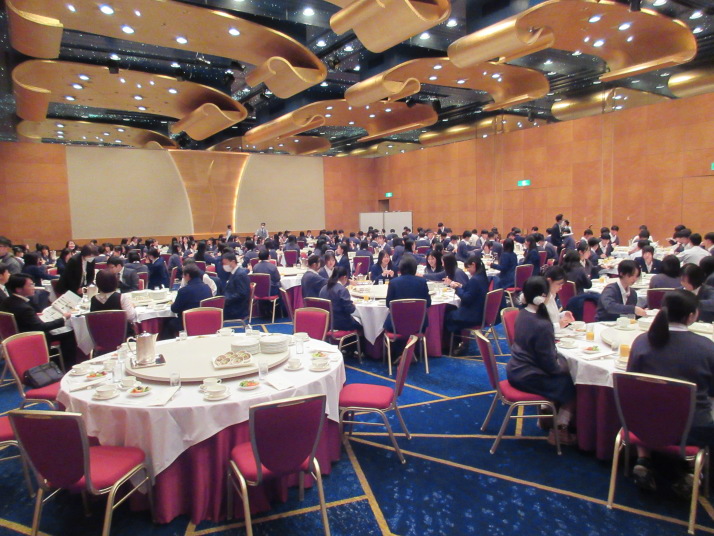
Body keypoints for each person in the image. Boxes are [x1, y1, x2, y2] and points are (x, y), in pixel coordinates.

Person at [627, 290, 714, 491]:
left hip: (643, 424)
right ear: (691, 316)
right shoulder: (706, 347)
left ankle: (643, 459)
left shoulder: (642, 341)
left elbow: (631, 383)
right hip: (691, 429)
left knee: (647, 401)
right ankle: (692, 470)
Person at [506, 276, 577, 446]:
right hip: (528, 376)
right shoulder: (542, 325)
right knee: (572, 384)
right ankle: (560, 429)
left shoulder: (522, 314)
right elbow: (550, 366)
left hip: (515, 368)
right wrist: (566, 366)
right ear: (542, 297)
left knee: (563, 372)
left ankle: (546, 418)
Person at [0, 273, 77, 365]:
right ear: (18, 289)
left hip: (14, 336)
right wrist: (64, 318)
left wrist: (33, 316)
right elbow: (40, 327)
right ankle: (66, 365)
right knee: (70, 333)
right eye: (30, 285)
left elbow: (20, 317)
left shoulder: (7, 301)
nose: (33, 287)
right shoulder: (24, 308)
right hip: (30, 337)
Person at [445, 255, 489, 355]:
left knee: (449, 314)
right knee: (452, 310)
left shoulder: (475, 279)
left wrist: (456, 288)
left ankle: (454, 345)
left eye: (468, 267)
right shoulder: (482, 276)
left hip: (473, 315)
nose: (467, 270)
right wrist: (461, 286)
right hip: (480, 311)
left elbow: (466, 298)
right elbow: (472, 290)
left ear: (473, 265)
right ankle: (458, 342)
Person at [383, 255, 430, 332]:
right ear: (415, 268)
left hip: (396, 323)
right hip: (419, 323)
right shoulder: (422, 282)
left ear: (400, 268)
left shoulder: (393, 283)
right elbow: (428, 303)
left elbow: (388, 304)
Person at [169, 264, 213, 331]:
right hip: (205, 320)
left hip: (188, 322)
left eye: (183, 275)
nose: (182, 277)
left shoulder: (184, 291)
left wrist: (172, 304)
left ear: (187, 275)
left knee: (168, 323)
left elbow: (175, 309)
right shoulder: (207, 287)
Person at [318, 266, 361, 331]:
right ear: (344, 277)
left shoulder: (323, 288)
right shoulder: (342, 290)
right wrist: (353, 305)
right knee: (363, 323)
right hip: (341, 323)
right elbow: (350, 310)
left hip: (326, 322)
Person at [222, 253, 251, 321]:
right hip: (232, 303)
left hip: (236, 308)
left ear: (232, 262)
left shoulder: (240, 275)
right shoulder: (234, 272)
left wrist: (226, 300)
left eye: (225, 263)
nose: (224, 266)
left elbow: (242, 294)